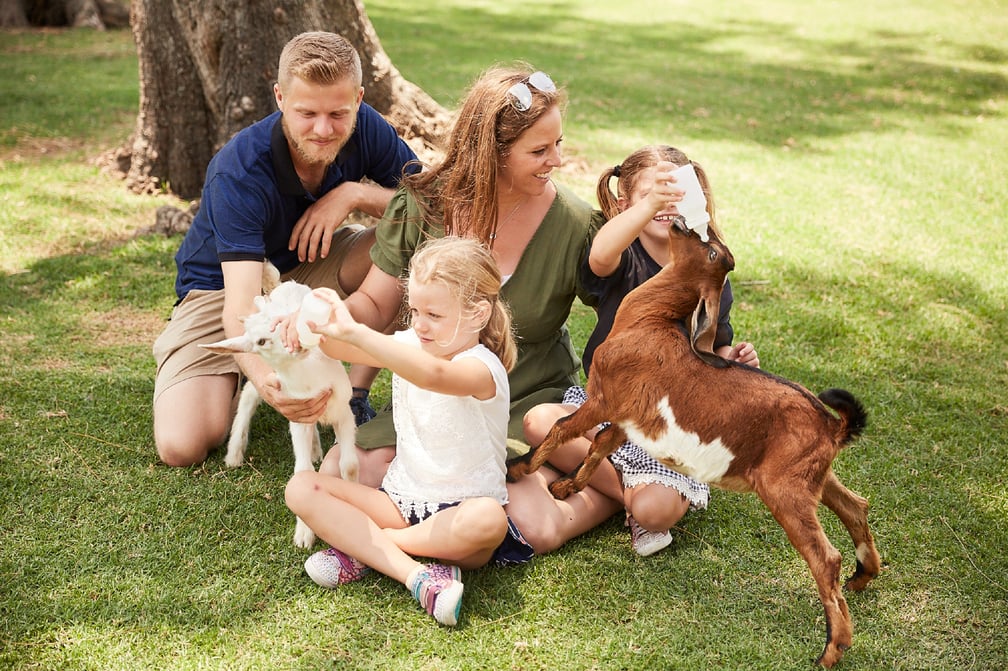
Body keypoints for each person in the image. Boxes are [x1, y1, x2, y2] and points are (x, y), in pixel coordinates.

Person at [313, 65, 624, 555]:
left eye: (558, 144)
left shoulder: (577, 224)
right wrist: (319, 319)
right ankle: (437, 535)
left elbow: (629, 310)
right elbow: (374, 302)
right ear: (491, 153)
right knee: (344, 470)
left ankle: (619, 492)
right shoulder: (424, 203)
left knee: (536, 527)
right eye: (540, 151)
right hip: (430, 397)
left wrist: (710, 346)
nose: (557, 161)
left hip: (524, 392)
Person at [152, 31, 418, 467]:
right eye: (306, 112)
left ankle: (353, 394)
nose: (323, 128)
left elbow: (435, 201)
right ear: (279, 97)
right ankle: (241, 369)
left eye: (338, 112)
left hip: (311, 265)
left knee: (411, 243)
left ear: (359, 98)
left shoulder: (366, 125)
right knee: (184, 445)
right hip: (223, 288)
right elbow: (239, 304)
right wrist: (268, 380)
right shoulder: (238, 170)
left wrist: (354, 194)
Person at [523, 145, 760, 557]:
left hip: (667, 427)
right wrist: (649, 205)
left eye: (678, 193)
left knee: (655, 510)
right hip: (608, 409)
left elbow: (713, 349)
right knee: (541, 422)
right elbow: (600, 252)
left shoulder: (707, 271)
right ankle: (630, 495)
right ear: (624, 204)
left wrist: (734, 362)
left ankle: (636, 499)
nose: (667, 204)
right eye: (654, 193)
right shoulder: (621, 257)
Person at [285, 236, 529, 626]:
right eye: (414, 310)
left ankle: (366, 547)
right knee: (300, 487)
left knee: (490, 520)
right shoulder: (410, 343)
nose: (419, 323)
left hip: (459, 521)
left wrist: (359, 333)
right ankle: (418, 576)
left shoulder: (482, 368)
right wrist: (312, 319)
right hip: (400, 504)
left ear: (478, 314)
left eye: (434, 314)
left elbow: (433, 374)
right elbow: (336, 349)